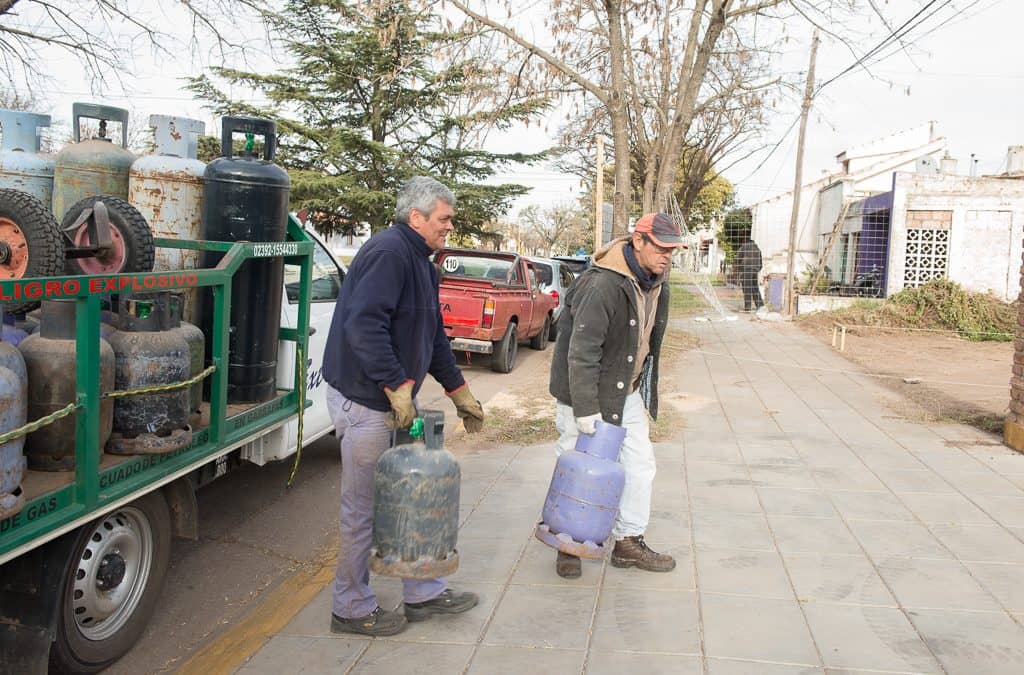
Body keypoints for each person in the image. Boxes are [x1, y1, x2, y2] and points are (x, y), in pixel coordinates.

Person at [322, 176, 486, 636]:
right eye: (444, 219)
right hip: (365, 401)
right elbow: (364, 325)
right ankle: (350, 607)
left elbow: (432, 336)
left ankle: (423, 592)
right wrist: (396, 385)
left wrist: (459, 392)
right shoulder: (388, 253)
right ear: (416, 217)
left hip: (393, 402)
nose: (449, 227)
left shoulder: (422, 263)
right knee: (366, 507)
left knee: (411, 493)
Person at [548, 212, 682, 579]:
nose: (668, 255)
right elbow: (581, 351)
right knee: (576, 467)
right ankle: (567, 544)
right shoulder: (602, 284)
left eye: (673, 249)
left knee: (639, 466)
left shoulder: (656, 281)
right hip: (585, 392)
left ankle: (627, 541)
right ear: (638, 241)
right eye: (662, 247)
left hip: (627, 388)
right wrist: (585, 409)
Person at [736, 236, 764, 311]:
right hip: (755, 271)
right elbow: (761, 264)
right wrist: (756, 269)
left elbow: (738, 258)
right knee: (755, 288)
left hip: (747, 269)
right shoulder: (758, 249)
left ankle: (748, 306)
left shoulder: (744, 247)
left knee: (747, 288)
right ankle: (760, 305)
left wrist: (740, 269)